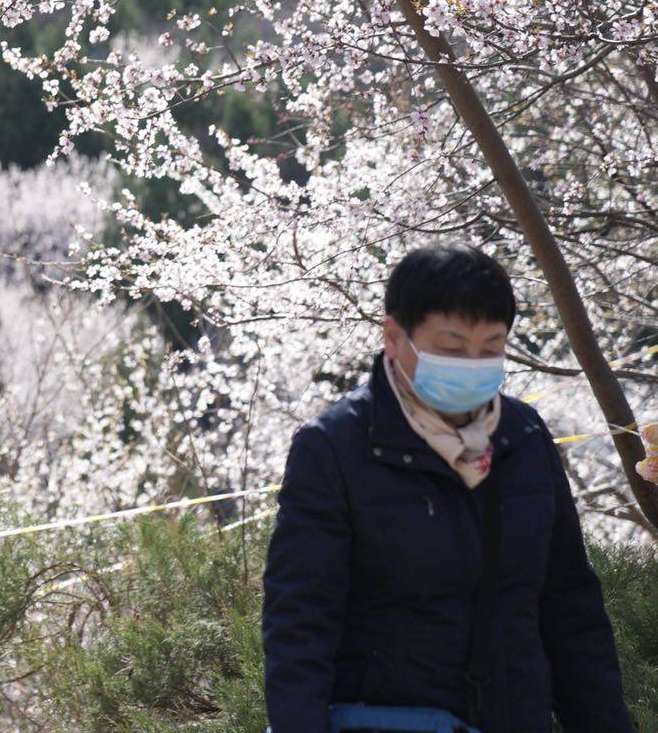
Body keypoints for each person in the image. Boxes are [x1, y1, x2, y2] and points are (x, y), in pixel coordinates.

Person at [262, 243, 635, 733]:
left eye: (490, 349)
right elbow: (300, 626)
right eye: (452, 349)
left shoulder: (522, 437)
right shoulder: (336, 448)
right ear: (394, 337)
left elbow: (570, 611)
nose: (472, 364)